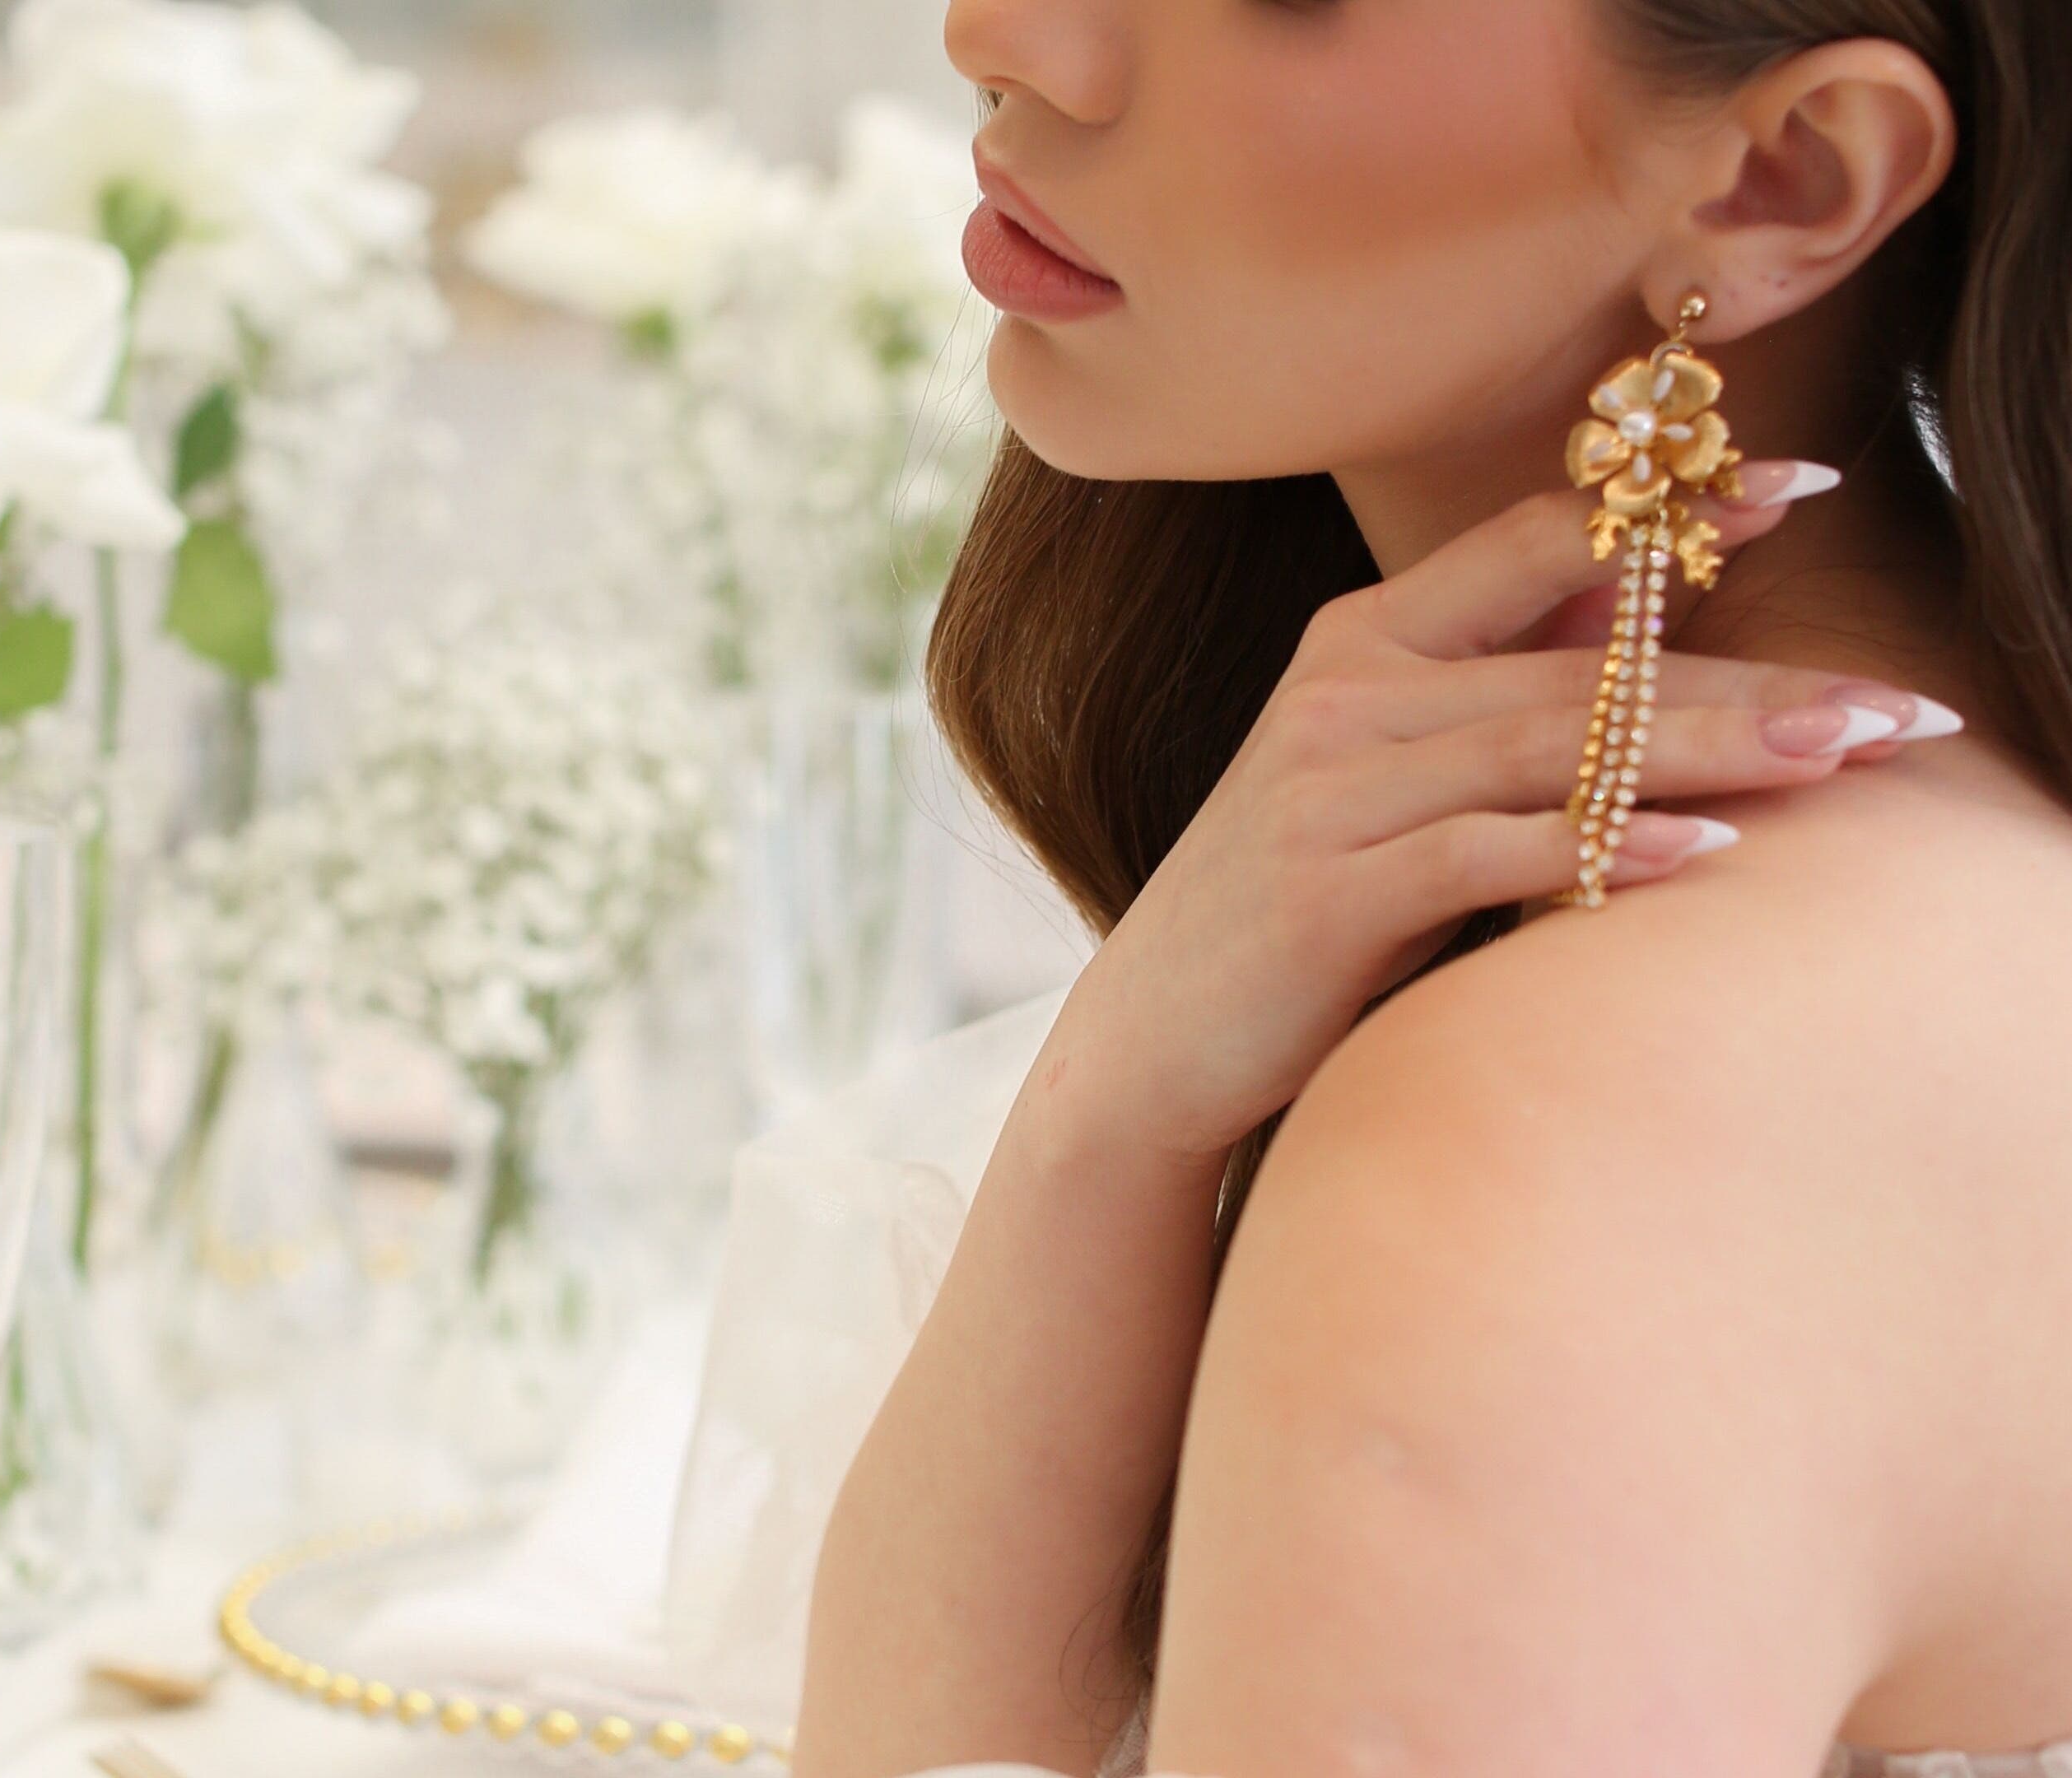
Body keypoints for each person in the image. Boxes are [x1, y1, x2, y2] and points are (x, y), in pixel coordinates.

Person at [791, 4, 2072, 1778]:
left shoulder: (1570, 1143)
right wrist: (1109, 1117)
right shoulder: (1972, 836)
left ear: (1785, 180)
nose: (1002, 34)